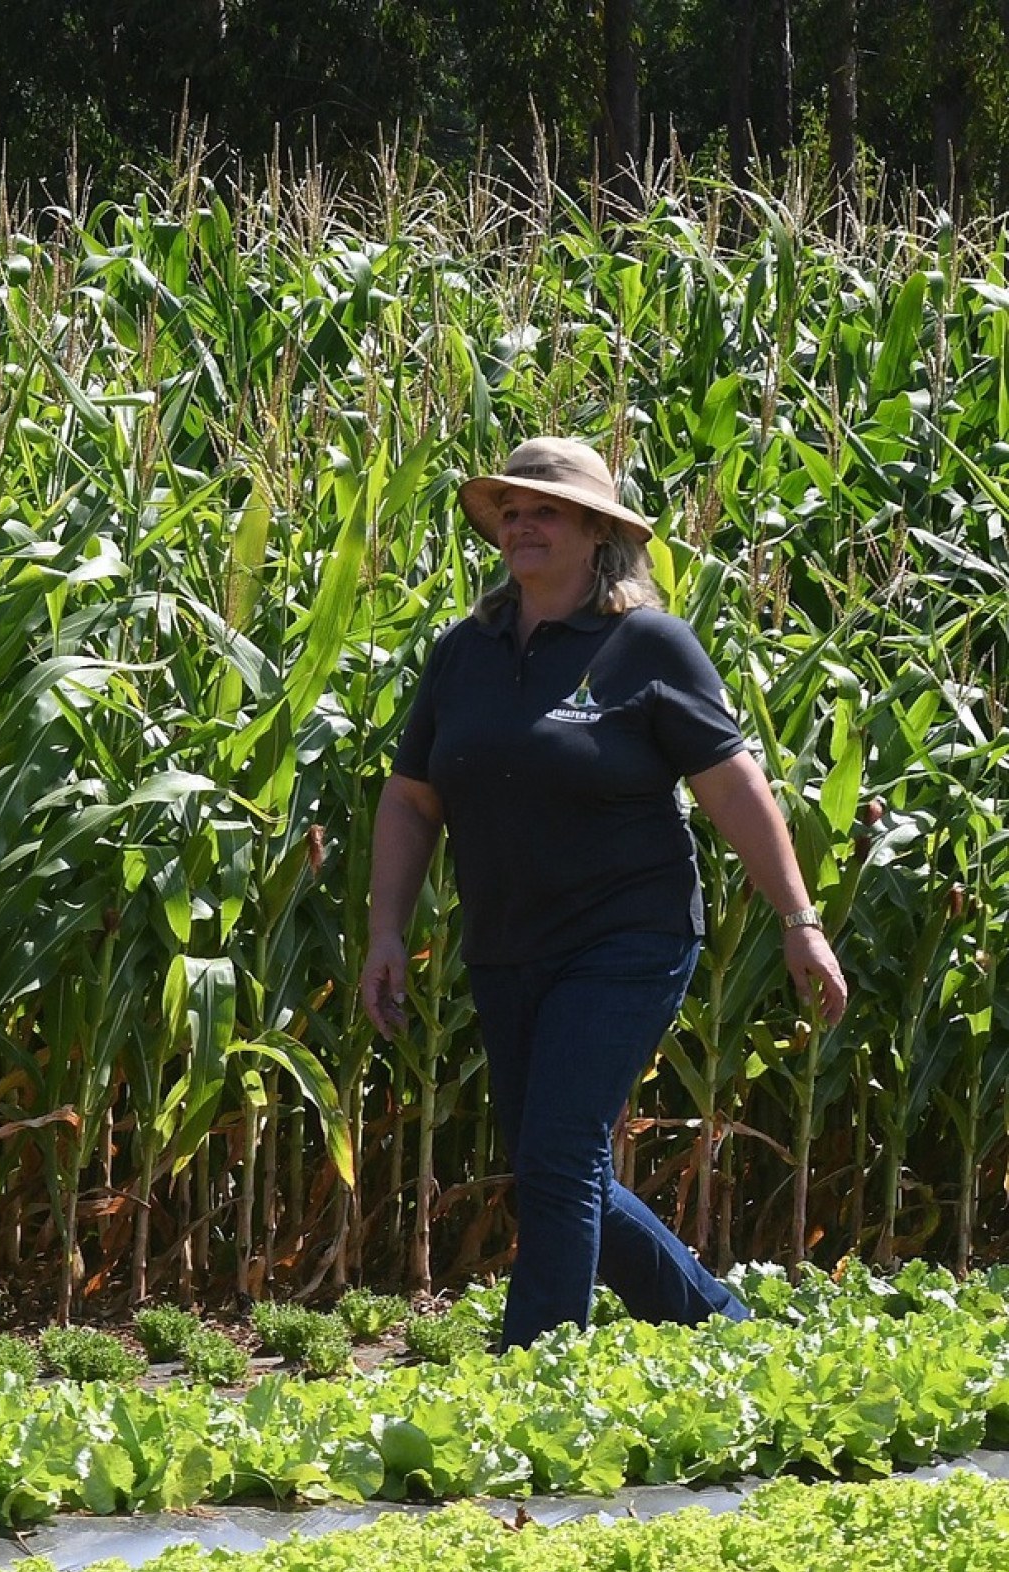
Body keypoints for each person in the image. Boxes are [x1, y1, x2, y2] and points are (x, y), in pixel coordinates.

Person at [361, 437, 848, 1353]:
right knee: (558, 1164)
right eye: (509, 509)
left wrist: (800, 920)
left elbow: (735, 787)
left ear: (597, 533)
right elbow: (412, 797)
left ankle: (536, 1370)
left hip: (628, 935)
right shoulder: (464, 652)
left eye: (545, 509)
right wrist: (386, 930)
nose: (521, 522)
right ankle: (720, 1323)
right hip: (507, 943)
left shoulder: (645, 645)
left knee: (557, 1154)